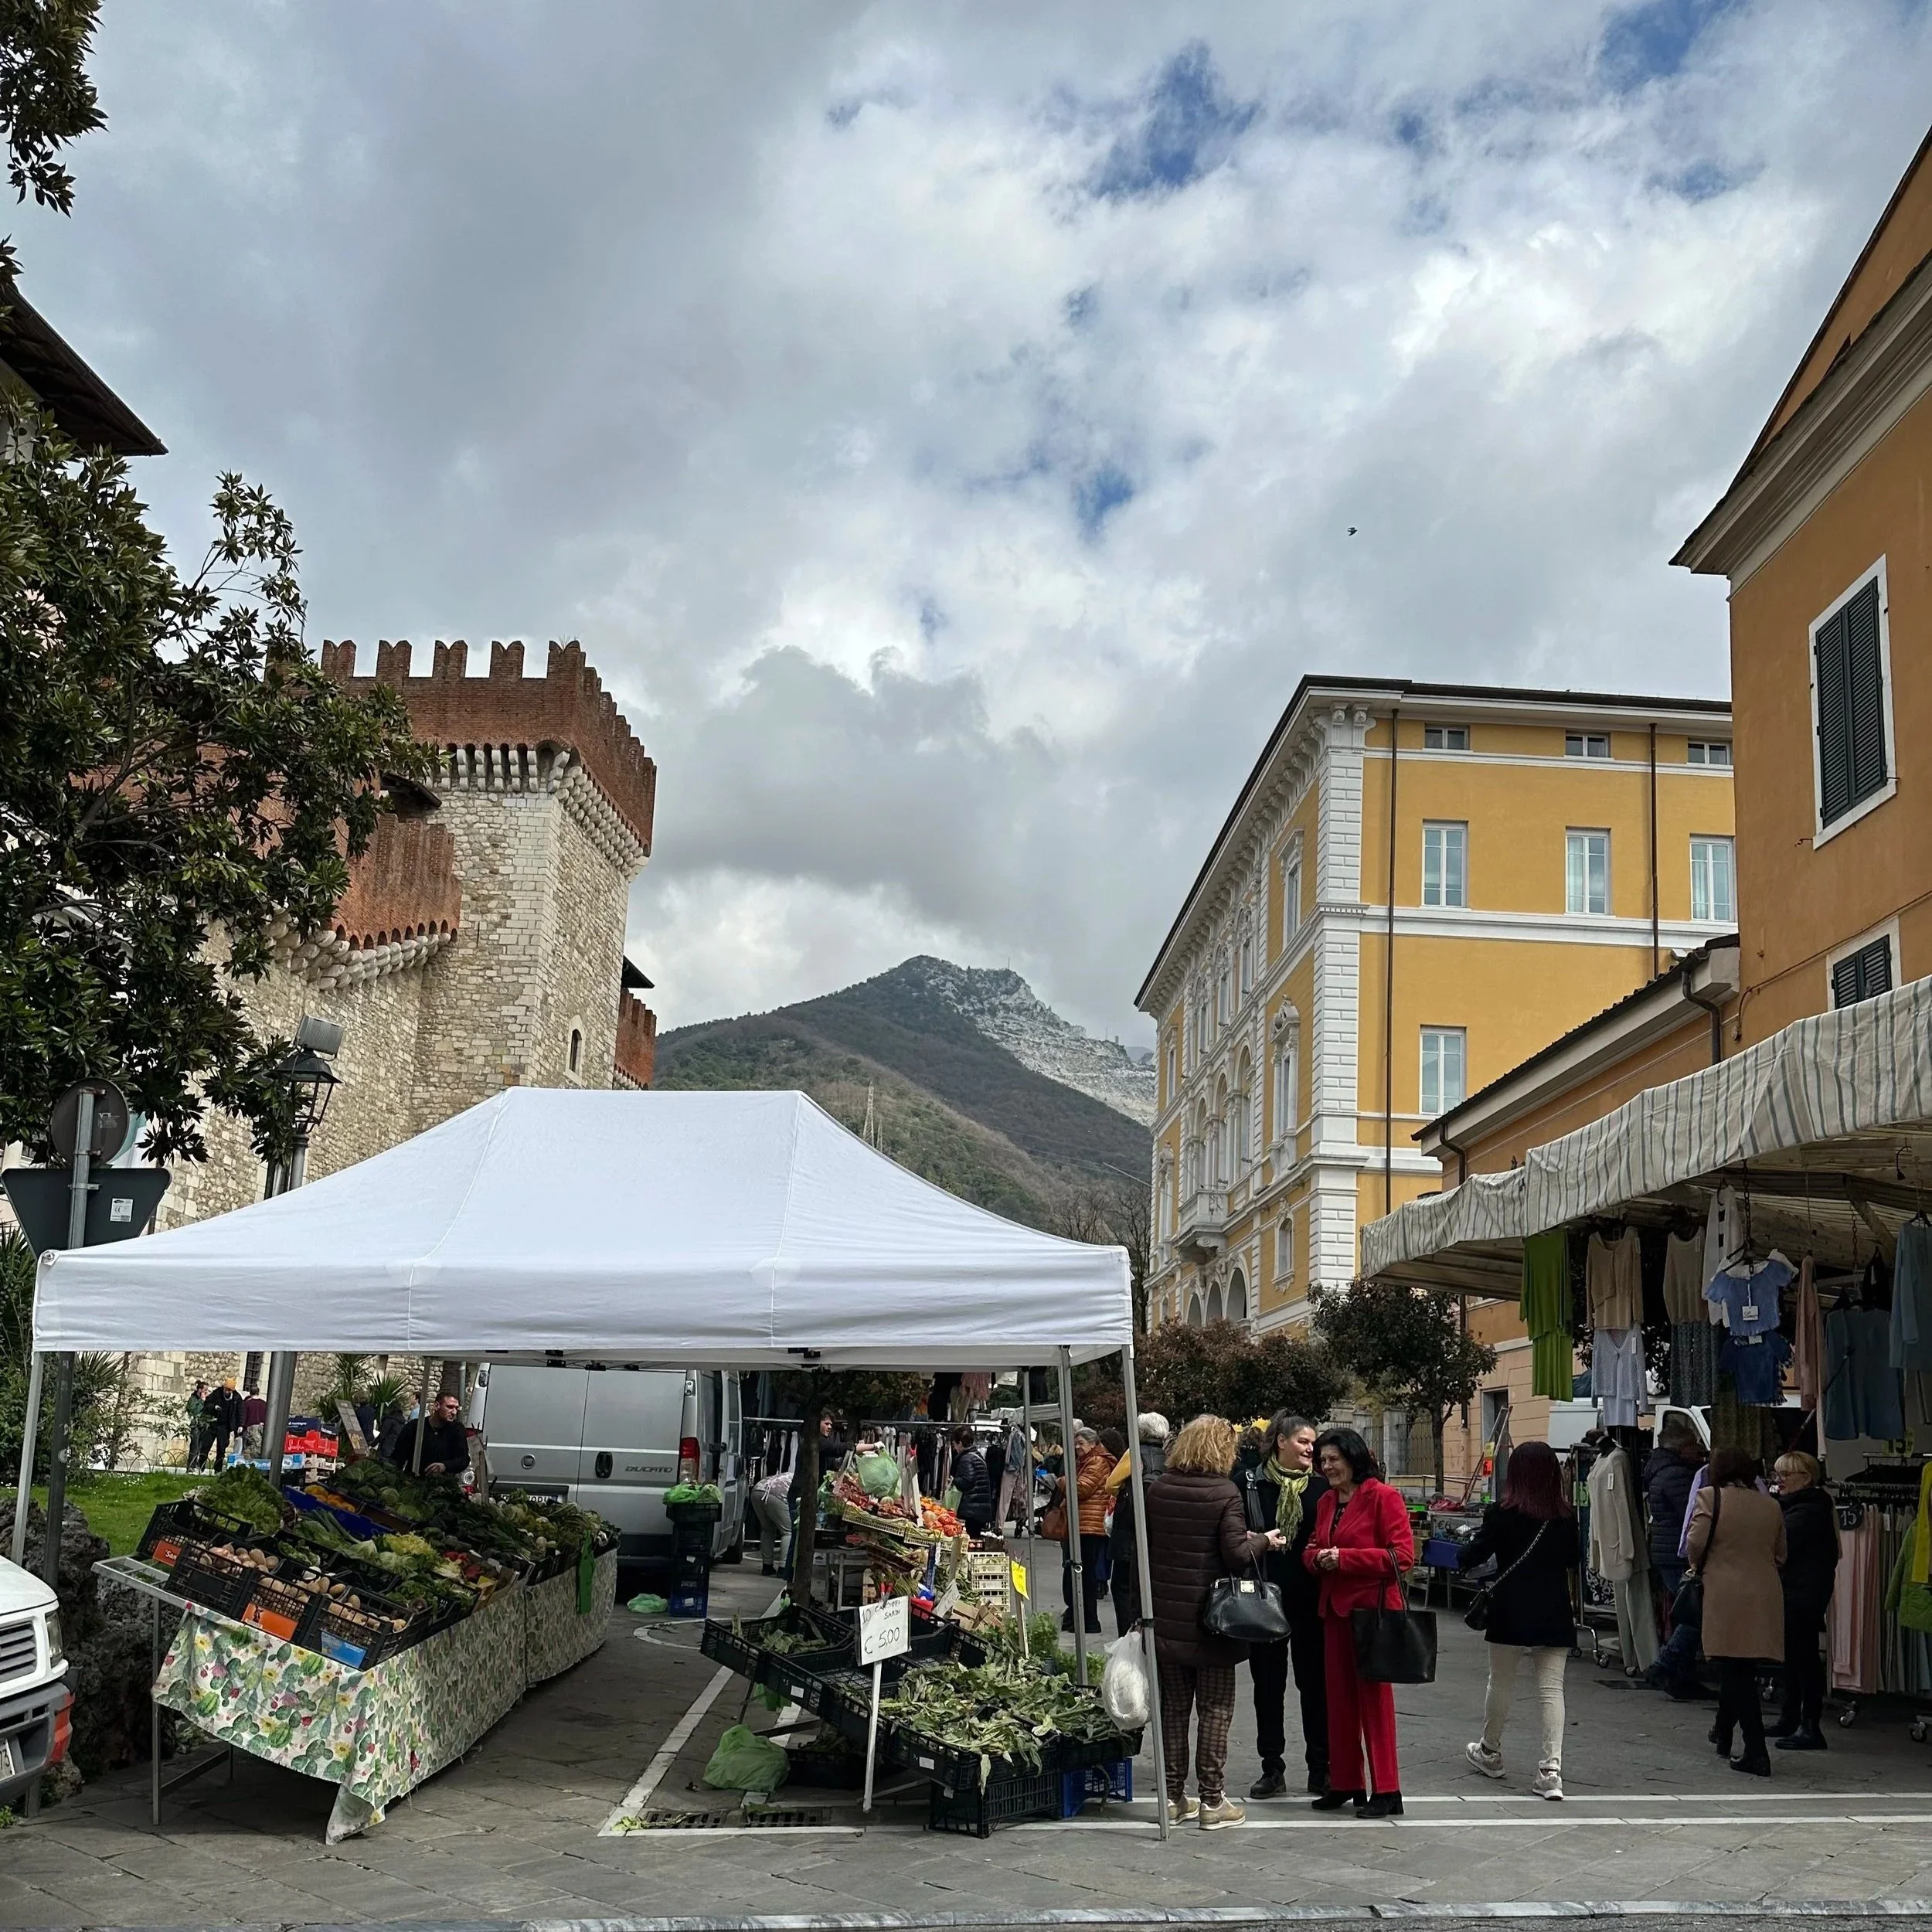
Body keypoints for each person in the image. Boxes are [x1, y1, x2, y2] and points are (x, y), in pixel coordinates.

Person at [1143, 1413, 1284, 1830]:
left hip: (1167, 1619)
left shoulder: (1158, 1489)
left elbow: (1142, 1552)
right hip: (1214, 1623)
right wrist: (1265, 1540)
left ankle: (1171, 1797)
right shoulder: (1226, 1493)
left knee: (1173, 1709)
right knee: (1216, 1709)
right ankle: (1211, 1801)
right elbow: (1238, 1554)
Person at [1460, 1440, 1582, 1801]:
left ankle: (1490, 1750)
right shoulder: (1564, 1516)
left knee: (1500, 1682)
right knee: (1551, 1689)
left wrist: (1464, 1554)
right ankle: (1551, 1771)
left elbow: (1475, 1552)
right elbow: (1573, 1559)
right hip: (1554, 1608)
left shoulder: (1502, 1512)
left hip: (1510, 1607)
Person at [1305, 1424, 1414, 1818]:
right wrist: (1317, 1558)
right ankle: (1347, 1781)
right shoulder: (1326, 1502)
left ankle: (1388, 1788)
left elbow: (1401, 1557)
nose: (1328, 1467)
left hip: (1372, 1613)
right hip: (1334, 1611)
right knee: (1338, 1701)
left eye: (1333, 1459)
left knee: (1374, 1702)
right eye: (1323, 1461)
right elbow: (1314, 1547)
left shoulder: (1384, 1497)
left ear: (1353, 1457)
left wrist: (1346, 1559)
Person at [1686, 1445, 1787, 1777]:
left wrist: (1700, 1565)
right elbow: (1780, 1553)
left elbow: (1695, 1542)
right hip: (1763, 1593)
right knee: (1739, 1667)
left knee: (1735, 1669)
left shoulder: (1709, 1497)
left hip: (1725, 1592)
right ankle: (1724, 1732)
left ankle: (1756, 1750)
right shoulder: (1770, 1505)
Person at [1243, 1411, 1328, 1800]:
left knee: (1315, 1686)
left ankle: (1320, 1768)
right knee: (1268, 1688)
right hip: (1264, 1601)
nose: (1311, 1448)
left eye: (1313, 1442)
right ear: (1280, 1441)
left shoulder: (1322, 1489)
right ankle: (1271, 1768)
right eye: (1303, 1441)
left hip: (1311, 1601)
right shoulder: (1250, 1485)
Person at [1770, 1450, 1839, 1751]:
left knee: (1804, 1658)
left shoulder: (1808, 1510)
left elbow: (1784, 1543)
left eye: (1786, 1474)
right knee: (1794, 1657)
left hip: (1804, 1592)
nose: (1779, 1480)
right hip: (1800, 1589)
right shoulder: (1802, 1505)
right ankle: (1791, 1717)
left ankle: (1809, 1725)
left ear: (1807, 1478)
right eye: (1778, 1474)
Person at [1643, 1420, 1706, 1699]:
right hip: (1676, 1553)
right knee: (1694, 1612)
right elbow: (1690, 1515)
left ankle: (1682, 1676)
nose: (1699, 1450)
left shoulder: (1660, 1471)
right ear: (1682, 1448)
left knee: (1685, 1610)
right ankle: (1666, 1663)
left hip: (1664, 1550)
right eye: (1694, 1445)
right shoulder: (1678, 1475)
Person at [1107, 1410, 1169, 1634]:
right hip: (1161, 1531)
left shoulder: (1133, 1454)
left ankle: (1129, 1636)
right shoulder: (1172, 1455)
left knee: (1123, 1586)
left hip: (1128, 1531)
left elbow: (1110, 1484)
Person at [1053, 1423, 1112, 1634]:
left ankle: (1090, 1622)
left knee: (1085, 1574)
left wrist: (1061, 1481)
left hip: (1089, 1526)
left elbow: (1081, 1488)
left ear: (1093, 1443)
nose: (1077, 1447)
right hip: (1083, 1523)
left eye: (1081, 1443)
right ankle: (1080, 1618)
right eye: (1075, 1444)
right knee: (1080, 1573)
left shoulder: (1096, 1462)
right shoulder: (1086, 1461)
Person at [387, 1389, 471, 1478]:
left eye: (456, 1408)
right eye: (450, 1407)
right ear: (436, 1406)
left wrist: (445, 1466)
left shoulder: (457, 1429)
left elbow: (463, 1459)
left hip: (443, 1484)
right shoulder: (415, 1427)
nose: (454, 1412)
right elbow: (398, 1457)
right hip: (414, 1482)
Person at [948, 1425, 994, 1536]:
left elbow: (967, 1482)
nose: (954, 1447)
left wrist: (954, 1481)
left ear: (960, 1443)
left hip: (972, 1510)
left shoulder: (966, 1459)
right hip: (980, 1509)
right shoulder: (977, 1456)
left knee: (969, 1539)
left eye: (954, 1444)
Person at [751, 1466, 794, 1575]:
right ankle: (783, 1567)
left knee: (767, 1529)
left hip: (758, 1490)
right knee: (788, 1531)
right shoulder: (803, 1481)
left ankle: (767, 1566)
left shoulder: (789, 1475)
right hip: (776, 1494)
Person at [208, 1378, 244, 1468]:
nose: (227, 1392)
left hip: (225, 1426)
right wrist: (214, 1407)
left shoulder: (237, 1398)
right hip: (214, 1423)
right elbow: (208, 1404)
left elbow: (240, 1412)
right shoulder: (217, 1393)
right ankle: (200, 1466)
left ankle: (218, 1468)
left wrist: (240, 1425)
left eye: (229, 1390)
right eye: (226, 1389)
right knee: (206, 1445)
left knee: (221, 1448)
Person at [184, 1382, 210, 1471]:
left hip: (204, 1425)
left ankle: (198, 1466)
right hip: (195, 1425)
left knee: (200, 1447)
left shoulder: (207, 1399)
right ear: (200, 1390)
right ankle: (191, 1466)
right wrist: (202, 1401)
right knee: (194, 1447)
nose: (206, 1392)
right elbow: (194, 1411)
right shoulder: (193, 1399)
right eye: (205, 1390)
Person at [241, 1386, 268, 1460]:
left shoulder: (247, 1404)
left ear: (250, 1393)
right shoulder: (264, 1404)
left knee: (247, 1451)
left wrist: (241, 1427)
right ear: (258, 1393)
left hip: (249, 1429)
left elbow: (244, 1416)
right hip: (261, 1429)